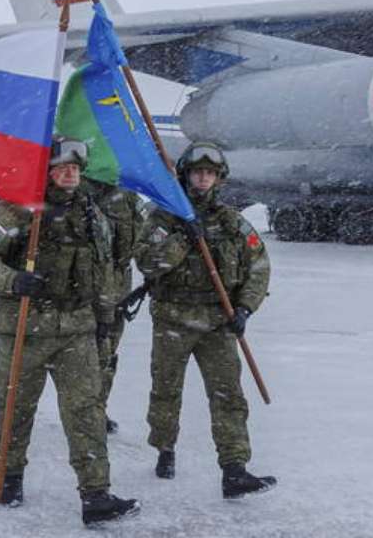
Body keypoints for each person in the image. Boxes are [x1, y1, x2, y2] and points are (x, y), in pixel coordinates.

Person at [0, 136, 140, 525]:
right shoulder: (16, 210)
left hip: (77, 328)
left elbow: (101, 270)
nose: (69, 175)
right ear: (47, 171)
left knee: (86, 411)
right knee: (15, 409)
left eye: (75, 169)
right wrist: (14, 280)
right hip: (24, 328)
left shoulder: (92, 215)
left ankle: (96, 494)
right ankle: (9, 478)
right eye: (61, 168)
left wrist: (104, 317)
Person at [134, 141, 276, 499]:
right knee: (166, 391)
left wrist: (245, 308)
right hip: (173, 318)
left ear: (219, 178)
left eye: (210, 173)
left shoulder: (232, 222)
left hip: (218, 321)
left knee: (228, 396)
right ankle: (165, 448)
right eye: (197, 172)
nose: (203, 178)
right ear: (185, 174)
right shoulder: (164, 216)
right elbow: (148, 263)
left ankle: (234, 468)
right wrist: (184, 237)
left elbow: (259, 266)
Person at [81, 177, 142, 433]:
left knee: (107, 353)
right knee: (78, 355)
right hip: (81, 286)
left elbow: (141, 241)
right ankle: (80, 409)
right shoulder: (76, 190)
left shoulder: (128, 196)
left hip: (117, 287)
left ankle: (97, 409)